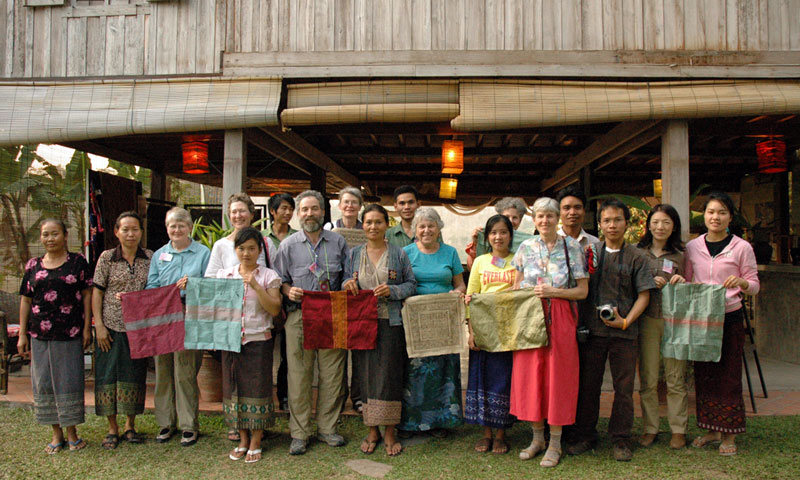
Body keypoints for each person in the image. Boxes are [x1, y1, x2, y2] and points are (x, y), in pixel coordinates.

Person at [567, 199, 655, 462]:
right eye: (606, 220)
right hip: (593, 333)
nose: (612, 225)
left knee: (624, 388)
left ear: (626, 223)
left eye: (617, 219)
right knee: (588, 386)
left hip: (625, 333)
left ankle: (621, 438)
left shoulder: (638, 256)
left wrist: (626, 321)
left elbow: (644, 295)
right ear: (600, 224)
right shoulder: (590, 253)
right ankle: (586, 435)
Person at [509, 198, 589, 467]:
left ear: (558, 219)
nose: (545, 221)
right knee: (532, 375)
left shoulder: (573, 247)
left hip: (562, 315)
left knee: (558, 377)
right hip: (530, 315)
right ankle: (537, 439)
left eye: (550, 216)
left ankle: (555, 443)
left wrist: (554, 292)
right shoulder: (525, 247)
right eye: (540, 216)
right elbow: (516, 286)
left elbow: (583, 291)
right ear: (534, 218)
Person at [274, 190, 351, 455]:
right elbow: (279, 280)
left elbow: (348, 276)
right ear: (298, 213)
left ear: (323, 212)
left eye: (315, 208)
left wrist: (349, 284)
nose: (310, 214)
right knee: (299, 375)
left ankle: (328, 428)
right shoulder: (288, 245)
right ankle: (300, 432)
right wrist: (287, 290)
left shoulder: (339, 243)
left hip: (333, 314)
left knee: (332, 374)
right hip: (299, 315)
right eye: (304, 209)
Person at [685, 192, 759, 456]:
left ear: (730, 217)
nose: (715, 217)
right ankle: (711, 429)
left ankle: (729, 434)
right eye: (710, 212)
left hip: (730, 316)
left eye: (721, 213)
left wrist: (741, 283)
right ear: (703, 216)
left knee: (728, 375)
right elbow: (689, 280)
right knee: (704, 375)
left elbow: (754, 285)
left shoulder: (741, 247)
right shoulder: (693, 247)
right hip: (702, 319)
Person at [343, 204, 416, 456]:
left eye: (378, 222)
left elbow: (411, 284)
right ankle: (372, 429)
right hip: (361, 323)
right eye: (368, 222)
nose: (373, 227)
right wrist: (348, 283)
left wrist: (392, 291)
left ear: (387, 224)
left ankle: (390, 432)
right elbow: (343, 280)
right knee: (364, 375)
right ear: (362, 225)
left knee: (389, 375)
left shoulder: (399, 254)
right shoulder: (353, 254)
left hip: (390, 323)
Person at [205, 192, 278, 443]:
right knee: (233, 380)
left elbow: (272, 281)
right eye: (233, 211)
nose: (238, 215)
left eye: (242, 211)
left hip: (258, 322)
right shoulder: (221, 246)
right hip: (231, 326)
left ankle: (257, 426)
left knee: (256, 379)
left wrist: (256, 285)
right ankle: (239, 427)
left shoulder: (266, 244)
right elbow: (212, 284)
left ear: (252, 213)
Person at [18, 219, 93, 453]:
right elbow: (26, 300)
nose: (50, 239)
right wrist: (22, 334)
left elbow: (88, 295)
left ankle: (72, 432)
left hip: (69, 332)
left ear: (65, 235)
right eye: (45, 235)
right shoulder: (33, 265)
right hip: (39, 334)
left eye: (55, 234)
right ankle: (56, 432)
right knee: (44, 383)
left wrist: (87, 327)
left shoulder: (78, 262)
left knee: (69, 381)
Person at [397, 207, 466, 436]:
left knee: (443, 370)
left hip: (443, 321)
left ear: (439, 229)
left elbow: (460, 285)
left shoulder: (450, 253)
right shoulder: (405, 253)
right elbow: (400, 285)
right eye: (422, 226)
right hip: (416, 322)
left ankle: (441, 421)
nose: (426, 230)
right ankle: (412, 423)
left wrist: (456, 294)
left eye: (431, 225)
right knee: (415, 372)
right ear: (415, 230)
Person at [216, 227, 283, 464]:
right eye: (241, 248)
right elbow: (213, 306)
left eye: (251, 248)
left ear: (259, 250)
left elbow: (274, 309)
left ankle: (256, 439)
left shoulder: (269, 276)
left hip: (258, 341)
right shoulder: (225, 276)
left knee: (257, 390)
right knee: (233, 389)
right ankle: (242, 439)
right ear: (235, 250)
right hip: (231, 342)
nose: (246, 253)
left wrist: (255, 285)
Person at [146, 207, 211, 447]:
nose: (177, 229)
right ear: (167, 228)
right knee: (163, 371)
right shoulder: (159, 255)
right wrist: (166, 292)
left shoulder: (203, 253)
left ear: (190, 227)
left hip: (189, 316)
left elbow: (210, 284)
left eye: (181, 225)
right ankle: (165, 422)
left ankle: (188, 425)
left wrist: (192, 285)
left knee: (185, 373)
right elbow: (152, 285)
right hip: (163, 319)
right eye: (172, 225)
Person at [92, 212, 152, 449]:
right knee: (107, 376)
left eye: (135, 229)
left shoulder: (150, 257)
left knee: (134, 375)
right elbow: (97, 292)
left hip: (138, 329)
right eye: (125, 229)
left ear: (141, 232)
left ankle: (130, 425)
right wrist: (99, 326)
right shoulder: (107, 258)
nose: (130, 234)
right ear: (116, 232)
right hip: (110, 327)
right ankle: (111, 428)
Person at [463, 215, 519, 455]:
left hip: (508, 331)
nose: (498, 237)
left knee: (504, 381)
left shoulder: (519, 261)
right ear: (487, 237)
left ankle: (501, 434)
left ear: (510, 235)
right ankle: (486, 433)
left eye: (503, 232)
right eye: (494, 232)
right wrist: (471, 331)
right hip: (483, 331)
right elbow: (471, 296)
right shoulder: (480, 262)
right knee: (482, 380)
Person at [635, 204, 689, 450]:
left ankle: (678, 429)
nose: (660, 227)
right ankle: (650, 428)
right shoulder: (638, 252)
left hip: (675, 321)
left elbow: (694, 285)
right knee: (648, 378)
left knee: (676, 377)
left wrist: (682, 280)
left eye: (666, 222)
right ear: (648, 225)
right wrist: (647, 282)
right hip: (646, 320)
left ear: (673, 226)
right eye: (656, 222)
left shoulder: (682, 253)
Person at [262, 192, 297, 413]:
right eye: (282, 208)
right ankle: (263, 396)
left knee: (288, 351)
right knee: (264, 350)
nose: (287, 212)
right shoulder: (261, 237)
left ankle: (284, 395)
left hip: (290, 297)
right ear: (272, 211)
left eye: (290, 208)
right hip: (266, 298)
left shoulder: (298, 236)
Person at [465, 197, 529, 269]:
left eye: (515, 217)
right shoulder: (488, 238)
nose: (510, 221)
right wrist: (477, 243)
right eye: (506, 217)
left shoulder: (528, 243)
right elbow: (473, 267)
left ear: (520, 221)